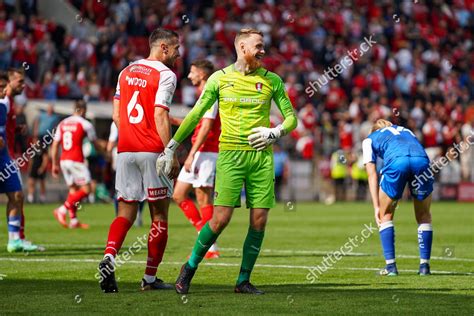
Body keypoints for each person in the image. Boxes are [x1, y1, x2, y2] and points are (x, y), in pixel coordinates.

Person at [158, 28, 297, 295]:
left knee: (259, 220)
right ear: (242, 48)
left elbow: (292, 118)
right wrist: (171, 146)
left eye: (263, 45)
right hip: (230, 156)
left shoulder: (273, 80)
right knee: (220, 219)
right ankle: (189, 268)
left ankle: (243, 280)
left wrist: (275, 132)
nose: (263, 50)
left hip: (261, 158)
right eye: (258, 46)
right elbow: (196, 114)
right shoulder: (219, 80)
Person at [98, 28, 181, 293]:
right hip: (152, 150)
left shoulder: (126, 71)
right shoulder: (166, 75)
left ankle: (109, 256)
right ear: (164, 48)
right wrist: (170, 150)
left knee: (125, 211)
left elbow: (116, 115)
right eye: (176, 48)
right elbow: (159, 114)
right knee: (160, 214)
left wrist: (131, 137)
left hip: (125, 149)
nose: (179, 54)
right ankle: (149, 279)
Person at [362, 119, 434, 276]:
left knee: (386, 214)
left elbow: (371, 174)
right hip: (421, 161)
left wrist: (376, 207)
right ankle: (424, 267)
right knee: (424, 216)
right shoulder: (406, 130)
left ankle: (391, 267)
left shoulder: (369, 139)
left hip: (397, 162)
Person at [172, 59, 221, 259]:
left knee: (203, 197)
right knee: (179, 195)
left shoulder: (211, 95)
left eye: (192, 72)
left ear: (202, 74)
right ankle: (204, 235)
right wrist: (174, 121)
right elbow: (199, 124)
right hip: (200, 150)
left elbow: (208, 126)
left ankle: (210, 247)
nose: (189, 75)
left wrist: (192, 153)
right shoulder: (202, 96)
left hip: (207, 152)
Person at [0, 71, 36, 252]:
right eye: (19, 81)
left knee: (17, 196)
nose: (23, 85)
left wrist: (14, 130)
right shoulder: (5, 102)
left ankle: (15, 240)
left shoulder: (6, 105)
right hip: (6, 156)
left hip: (6, 157)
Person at [51, 100, 98, 229]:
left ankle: (73, 220)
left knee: (73, 190)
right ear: (82, 110)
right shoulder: (85, 124)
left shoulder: (62, 123)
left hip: (63, 160)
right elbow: (94, 143)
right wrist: (103, 152)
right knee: (87, 189)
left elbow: (55, 145)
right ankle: (62, 209)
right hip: (76, 161)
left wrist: (54, 164)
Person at [106, 121, 145, 226]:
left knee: (120, 189)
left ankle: (119, 216)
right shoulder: (142, 117)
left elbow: (112, 141)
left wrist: (108, 154)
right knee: (140, 188)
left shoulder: (117, 120)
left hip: (122, 156)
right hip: (141, 154)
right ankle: (138, 214)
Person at [28, 103, 58, 203]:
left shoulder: (55, 117)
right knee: (32, 180)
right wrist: (35, 133)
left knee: (41, 181)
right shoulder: (42, 116)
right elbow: (37, 123)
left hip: (47, 137)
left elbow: (55, 127)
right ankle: (31, 197)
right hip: (41, 136)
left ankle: (42, 197)